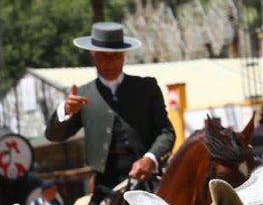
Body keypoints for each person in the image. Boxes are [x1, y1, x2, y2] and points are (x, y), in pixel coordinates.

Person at [45, 22, 175, 204]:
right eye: (103, 57)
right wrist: (65, 111)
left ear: (123, 56)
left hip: (148, 182)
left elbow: (166, 133)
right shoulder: (82, 95)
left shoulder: (146, 88)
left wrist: (150, 158)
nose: (110, 62)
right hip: (105, 187)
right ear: (93, 57)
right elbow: (53, 136)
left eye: (115, 56)